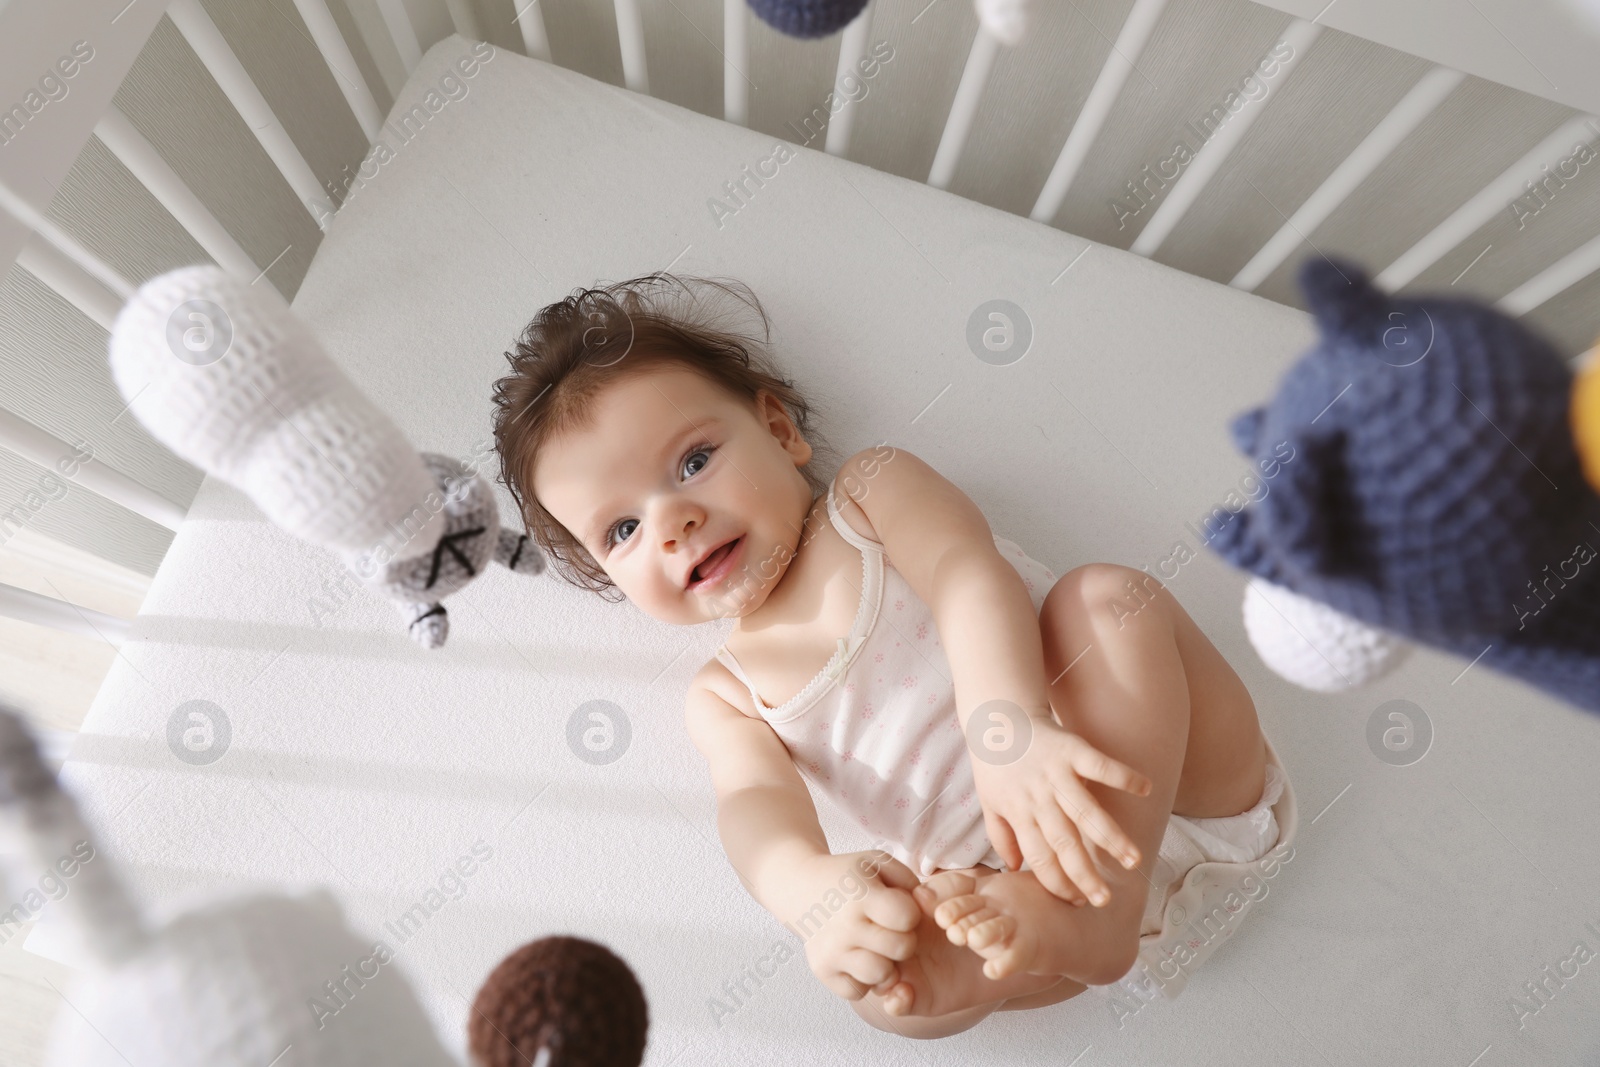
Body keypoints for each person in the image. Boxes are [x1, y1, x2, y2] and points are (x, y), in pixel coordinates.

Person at [491, 273, 1295, 1039]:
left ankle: (1106, 912)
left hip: (1160, 780)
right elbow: (754, 808)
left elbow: (966, 573)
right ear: (612, 576)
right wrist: (813, 893)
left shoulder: (870, 495)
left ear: (779, 430)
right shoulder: (724, 694)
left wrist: (1005, 725)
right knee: (882, 990)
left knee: (1111, 602)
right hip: (1012, 903)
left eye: (694, 461)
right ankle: (1065, 929)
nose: (673, 522)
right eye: (622, 530)